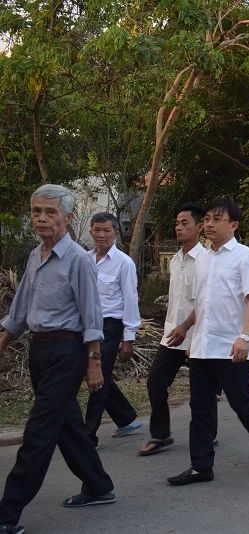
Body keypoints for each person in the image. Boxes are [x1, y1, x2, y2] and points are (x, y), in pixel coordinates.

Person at [0, 185, 115, 532]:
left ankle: (7, 515)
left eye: (50, 212)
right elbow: (21, 309)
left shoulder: (79, 260)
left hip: (67, 351)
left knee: (39, 431)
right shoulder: (36, 255)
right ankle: (99, 485)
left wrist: (93, 363)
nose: (41, 218)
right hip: (40, 350)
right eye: (36, 211)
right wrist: (3, 342)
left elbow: (92, 316)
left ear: (68, 217)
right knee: (66, 425)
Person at [166, 198, 249, 486]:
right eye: (207, 219)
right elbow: (202, 303)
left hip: (232, 345)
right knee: (200, 407)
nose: (209, 224)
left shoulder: (246, 257)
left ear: (234, 225)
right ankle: (201, 466)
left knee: (242, 403)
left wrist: (244, 337)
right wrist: (186, 328)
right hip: (202, 346)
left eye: (217, 219)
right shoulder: (202, 259)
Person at [140, 203, 209, 456]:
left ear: (199, 227)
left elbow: (206, 303)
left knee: (202, 392)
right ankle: (161, 434)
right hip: (172, 334)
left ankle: (207, 436)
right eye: (177, 223)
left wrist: (189, 330)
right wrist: (173, 327)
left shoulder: (206, 260)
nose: (178, 228)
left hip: (198, 334)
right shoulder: (175, 260)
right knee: (155, 382)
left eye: (184, 223)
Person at [84, 213, 142, 448]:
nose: (101, 235)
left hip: (110, 326)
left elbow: (131, 299)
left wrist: (129, 337)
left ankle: (88, 435)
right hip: (87, 326)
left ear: (116, 234)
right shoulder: (84, 260)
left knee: (98, 375)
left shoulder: (124, 263)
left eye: (106, 230)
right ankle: (125, 416)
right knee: (97, 373)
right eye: (97, 230)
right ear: (91, 232)